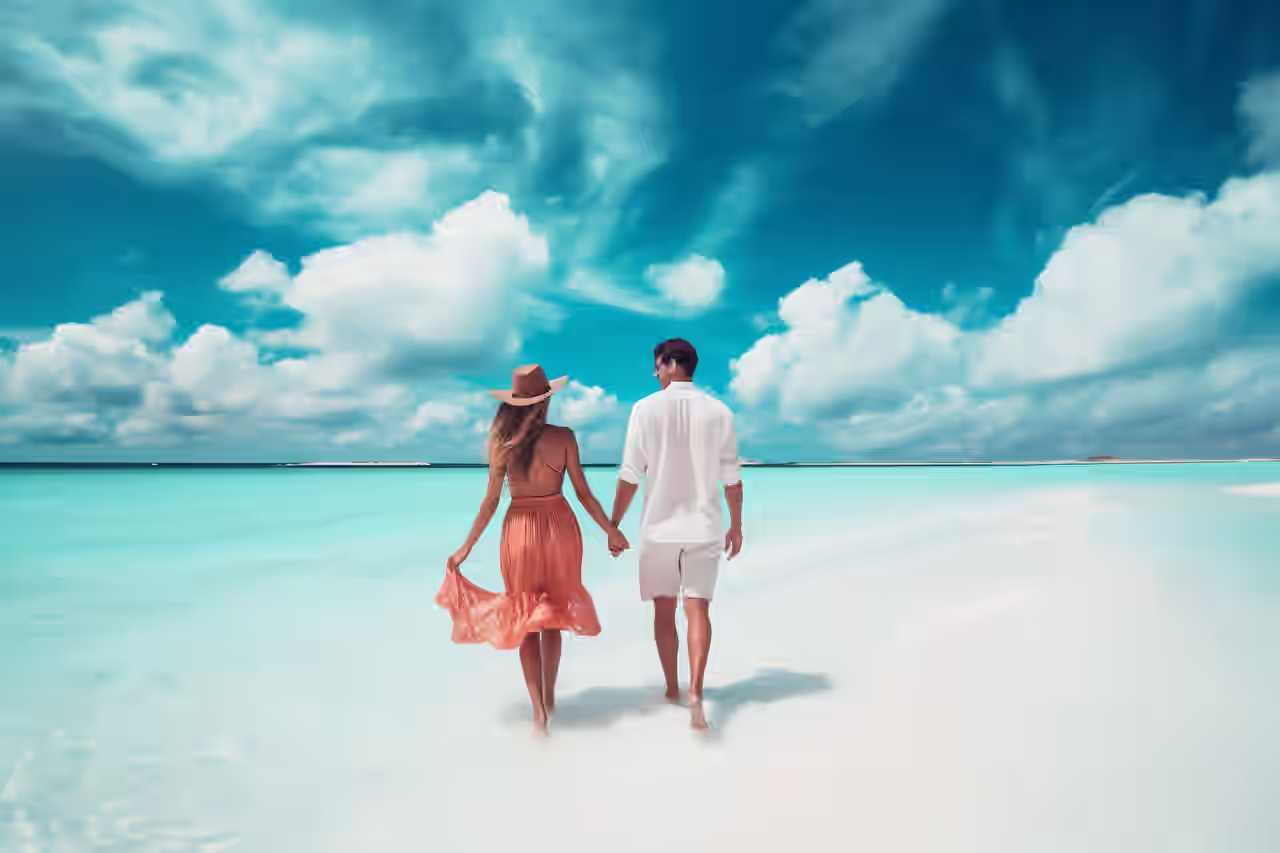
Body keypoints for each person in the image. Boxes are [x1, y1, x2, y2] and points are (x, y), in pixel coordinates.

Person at [436, 364, 629, 734]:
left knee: (527, 617)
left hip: (519, 531)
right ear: (545, 401)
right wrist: (610, 531)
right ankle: (551, 696)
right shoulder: (565, 438)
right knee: (553, 615)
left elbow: (490, 503)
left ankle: (538, 710)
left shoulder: (501, 443)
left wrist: (465, 548)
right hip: (559, 527)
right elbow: (584, 494)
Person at [609, 339, 744, 731]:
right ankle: (696, 692)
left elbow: (631, 474)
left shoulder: (644, 409)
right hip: (704, 527)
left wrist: (613, 523)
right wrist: (736, 524)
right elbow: (731, 479)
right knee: (698, 607)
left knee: (664, 609)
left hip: (658, 529)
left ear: (670, 364)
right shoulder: (721, 412)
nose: (654, 373)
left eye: (657, 366)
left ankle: (672, 687)